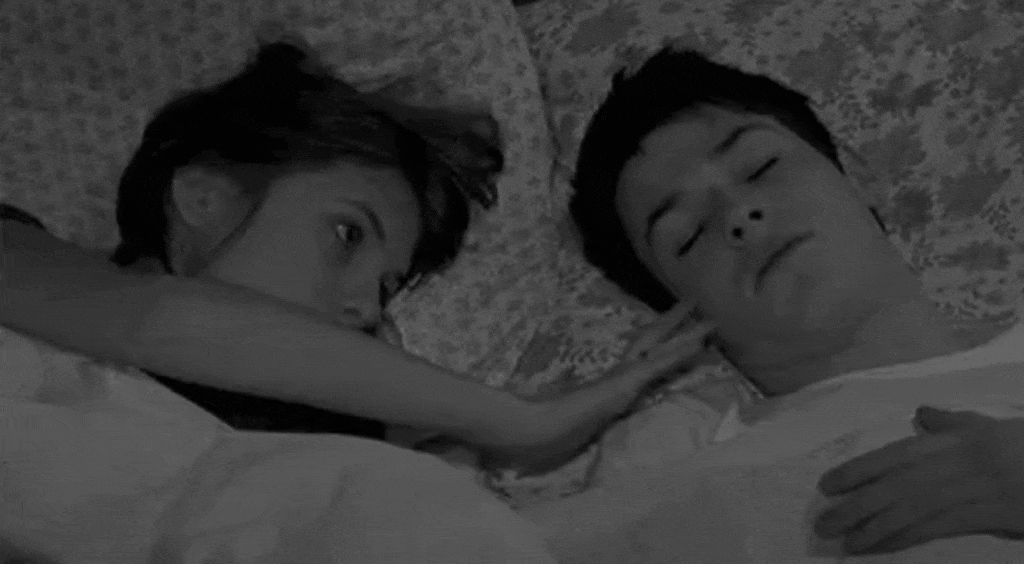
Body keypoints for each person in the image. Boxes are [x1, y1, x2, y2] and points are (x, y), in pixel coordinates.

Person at [1, 40, 712, 475]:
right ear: (203, 195)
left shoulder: (343, 436)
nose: (365, 307)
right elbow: (154, 321)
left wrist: (427, 441)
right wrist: (512, 420)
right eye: (346, 235)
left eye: (387, 287)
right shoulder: (27, 258)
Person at [568, 46, 1024, 553]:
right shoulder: (678, 445)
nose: (738, 215)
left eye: (761, 167)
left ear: (858, 176)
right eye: (689, 235)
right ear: (682, 317)